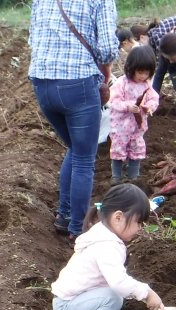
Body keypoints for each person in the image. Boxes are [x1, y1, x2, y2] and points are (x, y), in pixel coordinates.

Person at [29, 0, 118, 241]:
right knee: (83, 158)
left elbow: (33, 38)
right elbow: (108, 47)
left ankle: (64, 215)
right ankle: (79, 229)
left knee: (75, 149)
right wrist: (106, 72)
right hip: (77, 83)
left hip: (42, 83)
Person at [51, 184, 165, 310]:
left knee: (113, 294)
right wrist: (147, 293)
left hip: (70, 301)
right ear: (118, 217)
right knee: (114, 298)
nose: (139, 228)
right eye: (138, 222)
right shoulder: (108, 246)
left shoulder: (101, 232)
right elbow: (119, 283)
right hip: (67, 308)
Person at [108, 45, 160, 185]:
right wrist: (128, 106)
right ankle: (116, 176)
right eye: (140, 72)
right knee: (118, 148)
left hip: (138, 126)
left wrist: (149, 107)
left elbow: (153, 99)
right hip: (121, 126)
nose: (143, 76)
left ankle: (133, 176)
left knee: (137, 148)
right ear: (131, 68)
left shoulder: (147, 85)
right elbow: (113, 101)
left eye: (146, 73)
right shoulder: (121, 83)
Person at [147, 14, 176, 98]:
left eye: (172, 58)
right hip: (175, 45)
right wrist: (153, 97)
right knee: (172, 69)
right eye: (168, 59)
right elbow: (159, 74)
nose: (170, 61)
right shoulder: (165, 50)